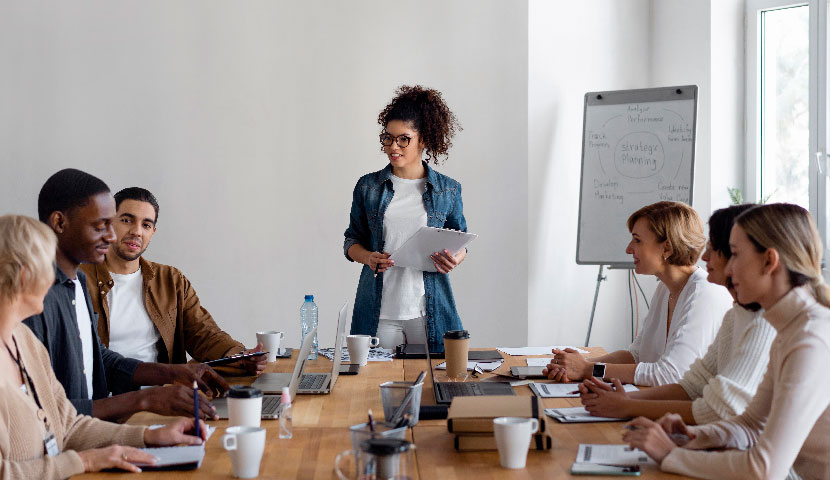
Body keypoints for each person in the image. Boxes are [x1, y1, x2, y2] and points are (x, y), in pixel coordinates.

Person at [624, 203, 830, 479]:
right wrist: (690, 436)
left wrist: (671, 455)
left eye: (734, 255)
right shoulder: (789, 328)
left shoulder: (809, 339)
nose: (727, 268)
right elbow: (749, 425)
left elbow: (765, 468)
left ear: (769, 261)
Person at [0, 214, 207, 478]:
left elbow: (68, 425)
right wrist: (83, 462)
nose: (55, 278)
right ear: (24, 276)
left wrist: (149, 435)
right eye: (48, 267)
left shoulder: (24, 341)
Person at [24, 169, 227, 422]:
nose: (111, 236)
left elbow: (99, 359)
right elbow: (38, 411)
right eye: (101, 226)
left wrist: (170, 374)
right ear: (60, 223)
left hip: (95, 432)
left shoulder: (77, 283)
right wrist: (144, 400)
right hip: (69, 448)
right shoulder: (32, 297)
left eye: (111, 224)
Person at [577, 204, 777, 424]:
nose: (705, 255)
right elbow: (687, 383)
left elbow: (676, 379)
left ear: (667, 248)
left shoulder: (709, 295)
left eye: (637, 240)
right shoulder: (731, 311)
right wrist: (613, 391)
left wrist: (593, 372)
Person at [80, 187, 265, 374]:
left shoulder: (171, 280)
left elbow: (204, 334)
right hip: (106, 399)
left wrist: (241, 357)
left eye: (146, 225)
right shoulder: (77, 281)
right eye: (127, 220)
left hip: (166, 393)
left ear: (153, 232)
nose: (137, 231)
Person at [544, 201, 732, 386]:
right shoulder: (665, 288)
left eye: (637, 240)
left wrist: (587, 370)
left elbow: (670, 375)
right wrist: (578, 364)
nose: (628, 249)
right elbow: (636, 355)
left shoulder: (703, 294)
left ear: (666, 248)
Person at [343, 85, 466, 352]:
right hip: (380, 312)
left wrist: (455, 257)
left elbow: (460, 240)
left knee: (432, 388)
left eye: (403, 139)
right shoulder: (368, 187)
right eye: (388, 138)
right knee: (373, 388)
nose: (393, 147)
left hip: (428, 310)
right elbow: (352, 241)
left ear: (424, 140)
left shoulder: (448, 189)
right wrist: (367, 257)